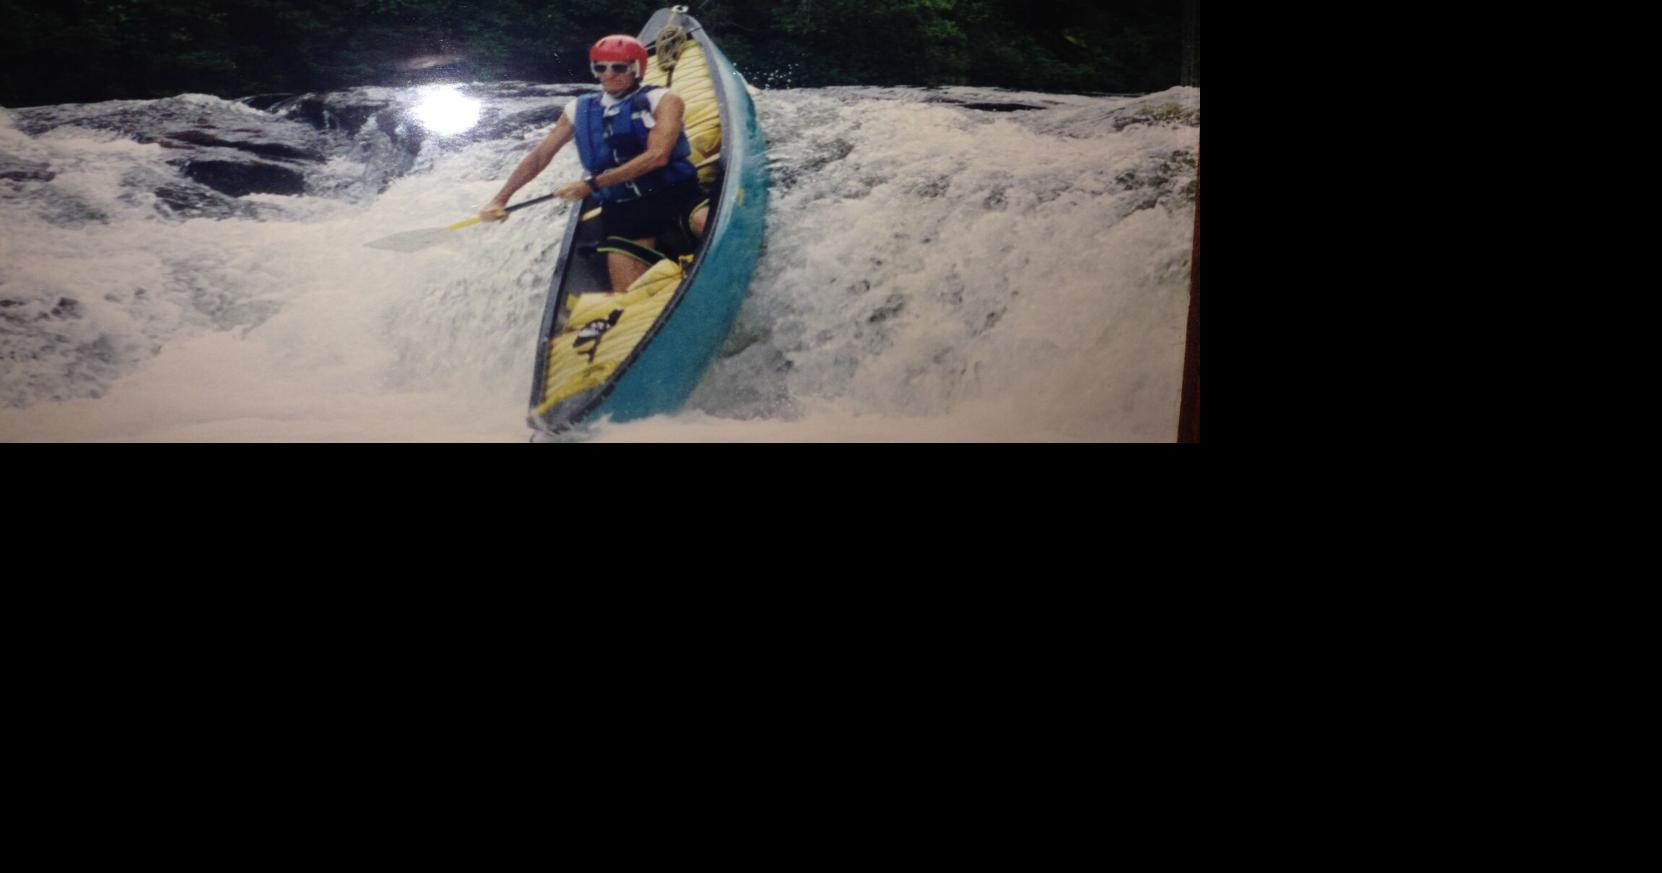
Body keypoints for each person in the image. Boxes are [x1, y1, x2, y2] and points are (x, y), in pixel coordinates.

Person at [480, 35, 708, 294]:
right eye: (601, 67)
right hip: (624, 209)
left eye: (619, 67)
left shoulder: (664, 100)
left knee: (704, 223)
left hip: (675, 194)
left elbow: (658, 156)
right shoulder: (578, 109)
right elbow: (539, 156)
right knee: (626, 296)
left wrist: (592, 185)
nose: (609, 74)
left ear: (636, 68)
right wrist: (501, 199)